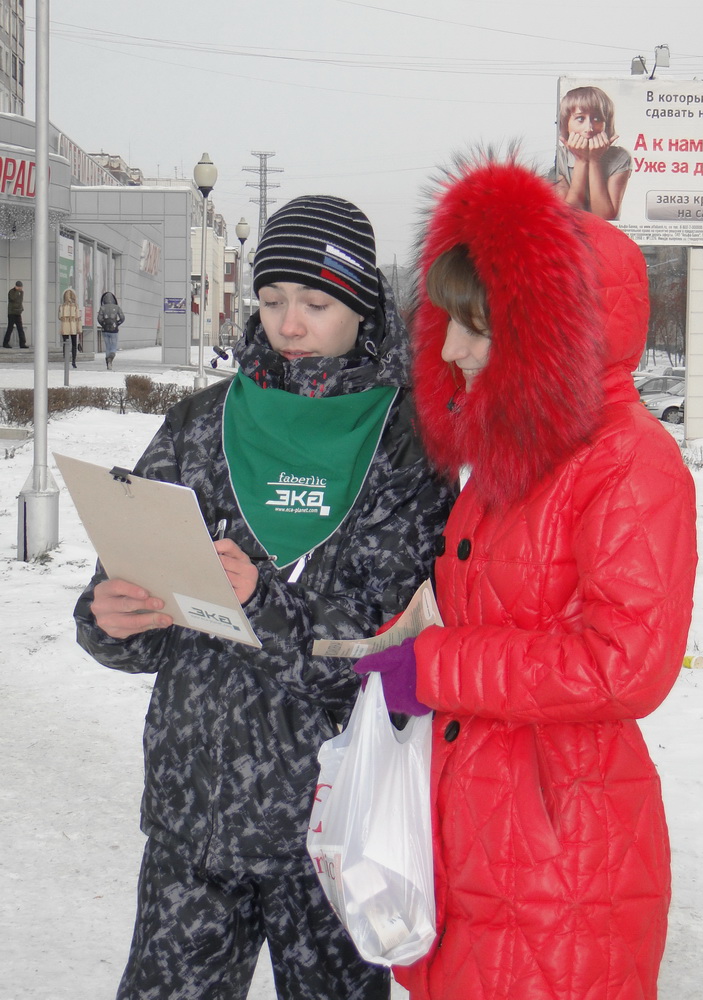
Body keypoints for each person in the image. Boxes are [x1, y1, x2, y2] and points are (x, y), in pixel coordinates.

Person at [74, 195, 453, 1000]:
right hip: (193, 822)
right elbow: (133, 580)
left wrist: (262, 604)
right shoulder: (199, 424)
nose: (289, 323)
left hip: (333, 831)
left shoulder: (408, 447)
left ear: (362, 306)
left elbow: (392, 649)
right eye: (273, 299)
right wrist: (110, 620)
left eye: (316, 303)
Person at [354, 155, 698, 1000]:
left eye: (480, 326)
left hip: (557, 861)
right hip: (482, 834)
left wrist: (436, 667)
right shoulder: (514, 453)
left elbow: (625, 663)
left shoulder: (628, 461)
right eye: (448, 322)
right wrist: (409, 635)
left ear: (553, 333)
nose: (452, 349)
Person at [555, 85, 632, 220]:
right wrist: (581, 160)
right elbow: (569, 214)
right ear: (566, 124)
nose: (589, 128)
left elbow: (604, 216)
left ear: (606, 124)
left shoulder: (620, 156)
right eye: (580, 119)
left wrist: (594, 161)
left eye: (597, 119)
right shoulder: (558, 156)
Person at [97, 290, 124, 369]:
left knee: (107, 346)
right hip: (114, 329)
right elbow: (122, 318)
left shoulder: (102, 308)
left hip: (105, 330)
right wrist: (117, 323)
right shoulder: (117, 307)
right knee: (113, 347)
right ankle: (110, 358)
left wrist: (103, 324)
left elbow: (99, 319)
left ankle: (108, 362)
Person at [58, 288, 82, 368]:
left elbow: (59, 317)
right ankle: (74, 361)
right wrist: (79, 329)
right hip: (73, 326)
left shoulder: (62, 306)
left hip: (65, 326)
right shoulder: (75, 306)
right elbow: (78, 317)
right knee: (74, 344)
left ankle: (66, 359)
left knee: (65, 343)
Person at [3, 279, 28, 348]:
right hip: (12, 313)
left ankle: (22, 343)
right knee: (10, 328)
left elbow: (20, 301)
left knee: (20, 329)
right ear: (16, 286)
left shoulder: (21, 292)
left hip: (18, 313)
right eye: (19, 287)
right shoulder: (11, 292)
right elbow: (13, 299)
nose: (20, 288)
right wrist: (17, 291)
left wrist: (21, 309)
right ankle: (5, 343)